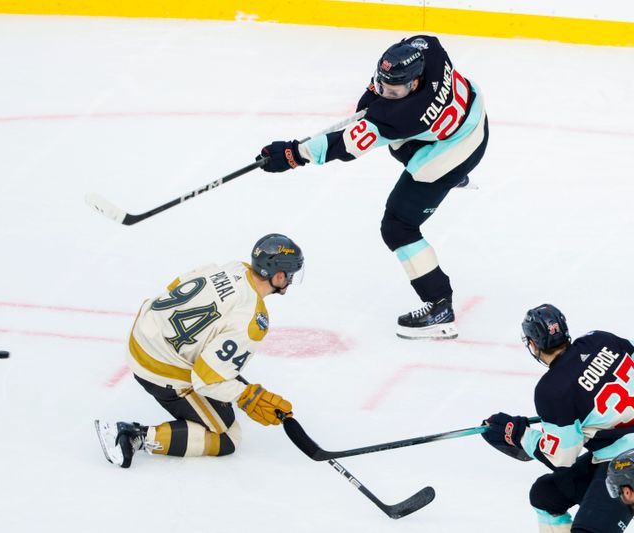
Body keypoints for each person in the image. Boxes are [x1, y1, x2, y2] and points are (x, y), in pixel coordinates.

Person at [257, 35, 488, 340]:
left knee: (397, 227)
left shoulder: (404, 115)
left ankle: (439, 307)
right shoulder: (427, 47)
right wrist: (376, 96)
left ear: (415, 84)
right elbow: (374, 104)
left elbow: (346, 145)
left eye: (395, 91)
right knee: (398, 145)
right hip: (474, 117)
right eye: (384, 86)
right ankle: (449, 179)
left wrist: (293, 154)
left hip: (455, 153)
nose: (387, 94)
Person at [96, 233, 304, 468]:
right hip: (155, 365)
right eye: (290, 274)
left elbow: (174, 286)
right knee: (228, 436)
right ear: (278, 275)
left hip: (141, 332)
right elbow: (205, 380)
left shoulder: (232, 268)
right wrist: (247, 396)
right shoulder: (253, 321)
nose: (290, 279)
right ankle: (132, 436)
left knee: (219, 391)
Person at [480, 304, 634, 532]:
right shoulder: (600, 339)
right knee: (546, 496)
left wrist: (517, 434)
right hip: (618, 455)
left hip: (625, 463)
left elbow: (561, 458)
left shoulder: (552, 390)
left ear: (533, 344)